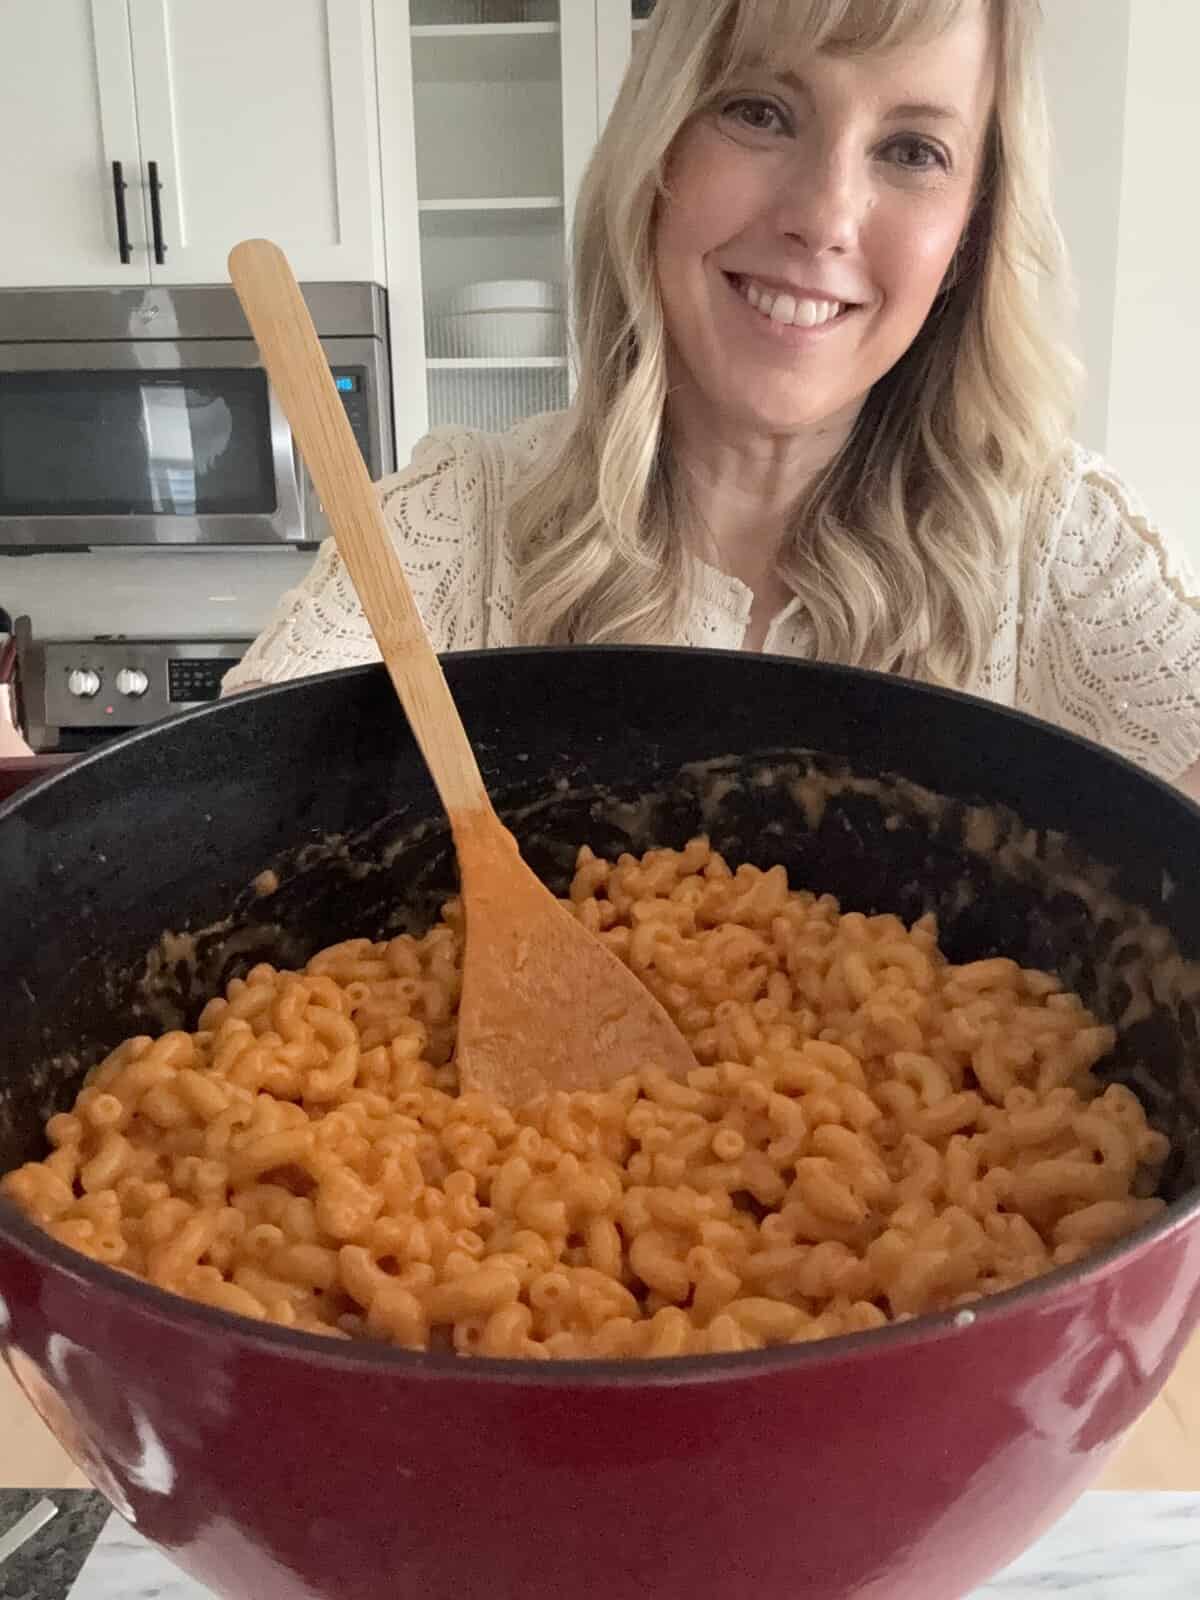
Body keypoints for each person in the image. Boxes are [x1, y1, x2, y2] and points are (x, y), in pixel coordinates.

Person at [224, 0, 1192, 797]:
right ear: (658, 157)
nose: (824, 218)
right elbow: (208, 841)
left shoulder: (1057, 548)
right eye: (762, 111)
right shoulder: (451, 527)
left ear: (967, 241)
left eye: (911, 151)